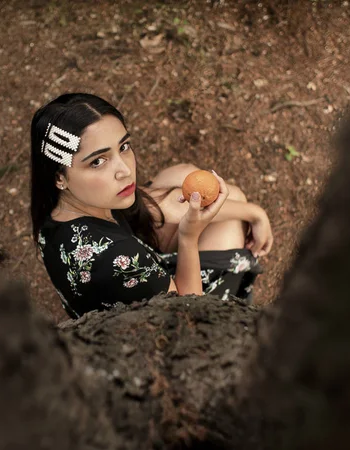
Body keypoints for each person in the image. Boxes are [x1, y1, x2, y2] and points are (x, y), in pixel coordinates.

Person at [30, 93, 273, 319]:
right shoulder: (118, 258)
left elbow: (160, 201)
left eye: (123, 147)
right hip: (161, 326)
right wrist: (189, 237)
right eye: (97, 161)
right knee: (230, 223)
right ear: (59, 177)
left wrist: (256, 213)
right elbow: (188, 314)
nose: (125, 171)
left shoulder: (59, 206)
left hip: (133, 278)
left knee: (184, 174)